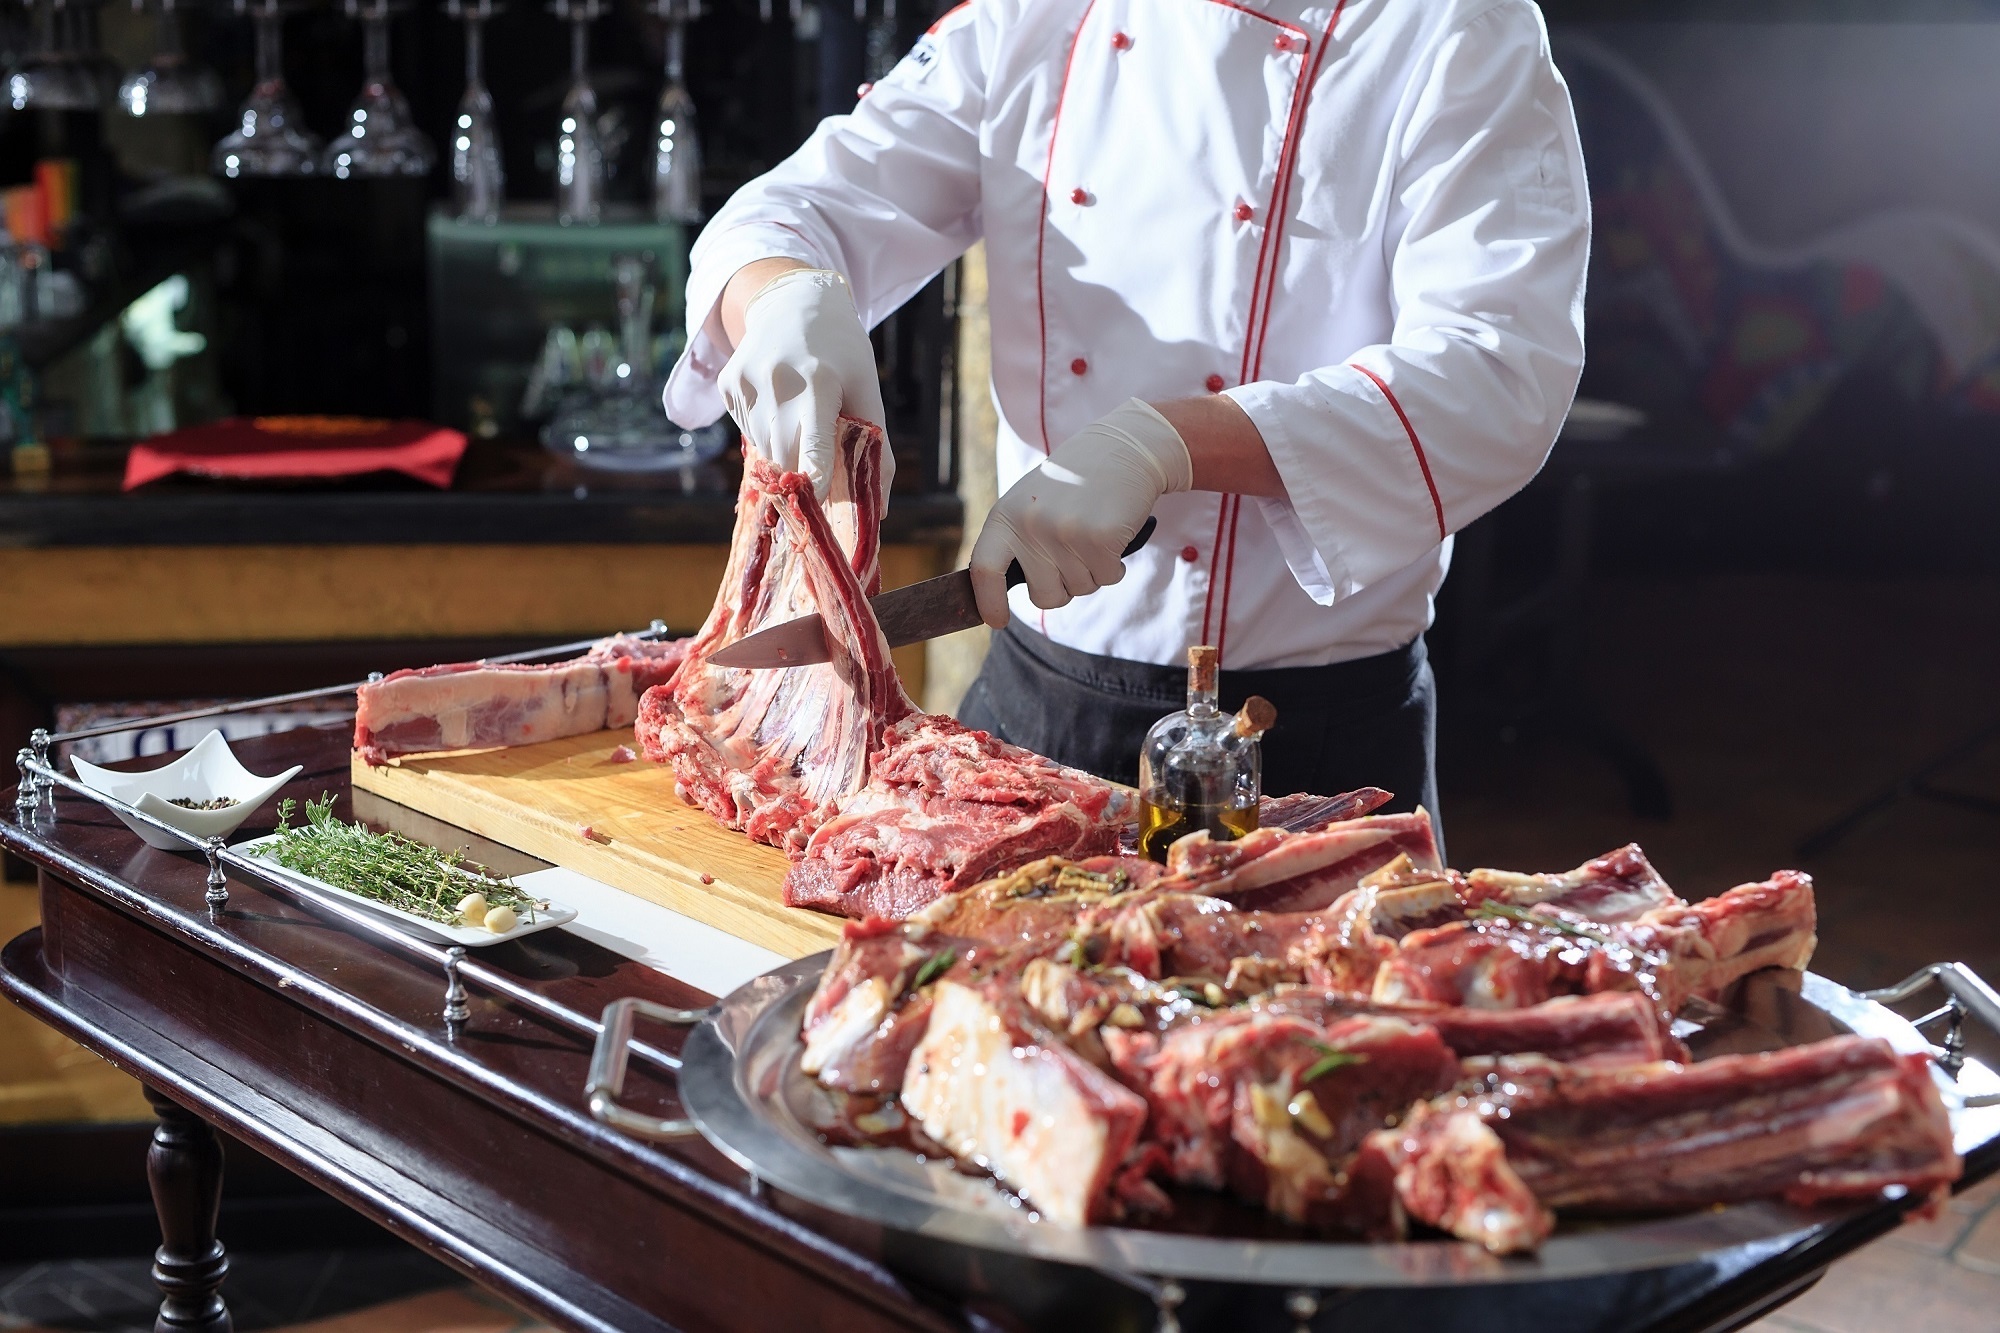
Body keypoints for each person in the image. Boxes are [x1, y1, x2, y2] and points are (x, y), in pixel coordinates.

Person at [663, 0, 1590, 832]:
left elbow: (1499, 371)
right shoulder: (1030, 19)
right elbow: (799, 206)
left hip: (1314, 748)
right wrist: (784, 295)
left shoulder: (1458, 29)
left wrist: (1169, 442)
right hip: (1031, 719)